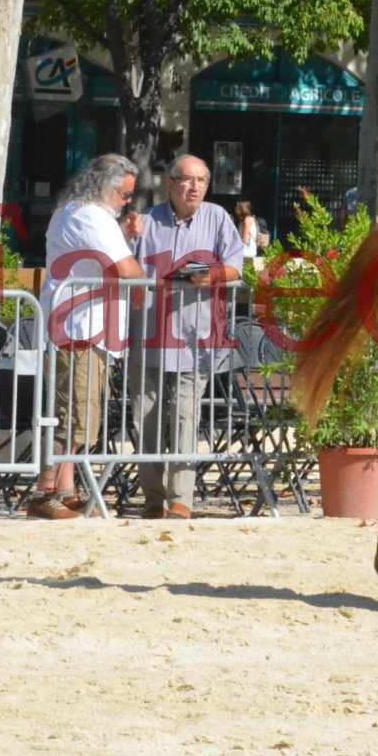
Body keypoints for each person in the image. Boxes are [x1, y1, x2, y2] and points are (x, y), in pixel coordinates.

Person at [128, 155, 243, 519]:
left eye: (202, 181)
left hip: (195, 338)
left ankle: (181, 500)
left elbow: (236, 265)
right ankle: (152, 499)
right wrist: (126, 235)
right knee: (143, 418)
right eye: (187, 180)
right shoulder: (146, 222)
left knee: (184, 417)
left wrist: (213, 274)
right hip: (147, 333)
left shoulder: (218, 218)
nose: (194, 187)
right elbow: (122, 263)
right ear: (170, 183)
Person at [35, 153, 145, 519]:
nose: (127, 201)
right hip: (80, 326)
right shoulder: (89, 215)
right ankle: (43, 491)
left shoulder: (76, 212)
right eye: (124, 193)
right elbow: (127, 270)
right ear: (104, 187)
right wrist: (137, 261)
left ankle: (64, 488)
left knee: (78, 415)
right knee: (76, 415)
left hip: (84, 325)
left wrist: (124, 237)